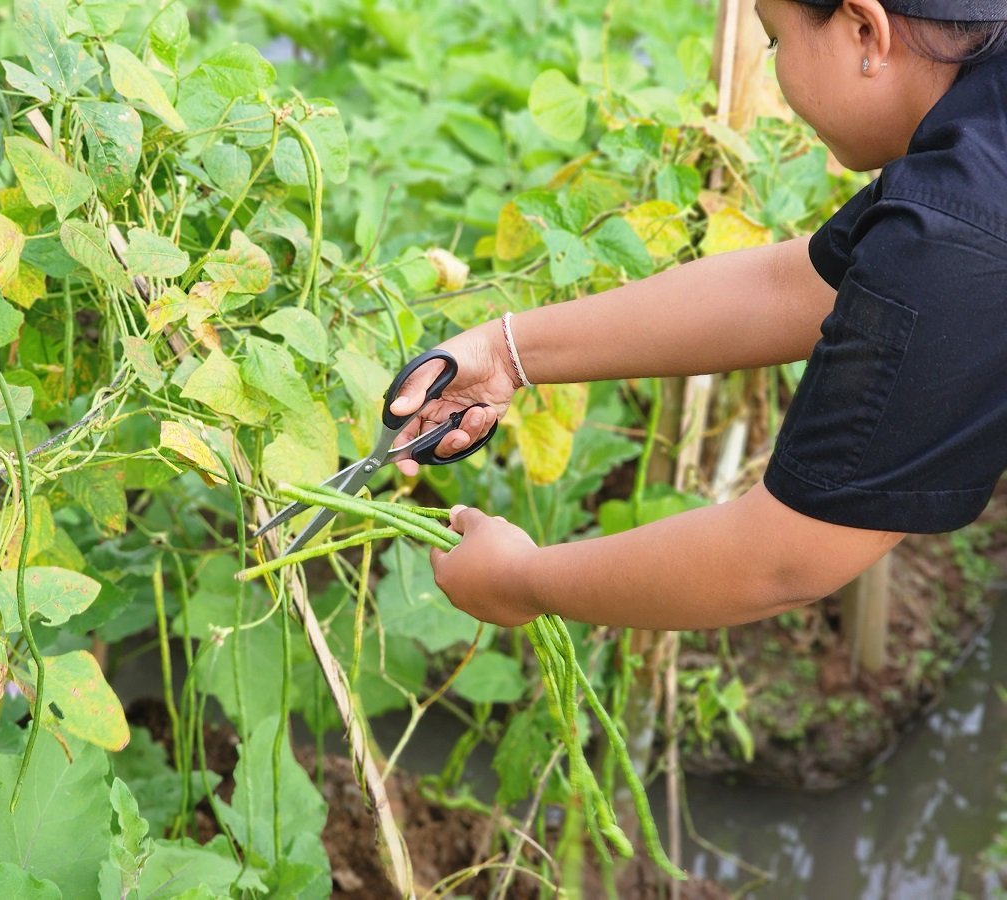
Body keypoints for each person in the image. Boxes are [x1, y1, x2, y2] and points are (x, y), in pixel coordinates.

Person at [388, 0, 1007, 631]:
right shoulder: (974, 145)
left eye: (774, 42)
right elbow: (791, 287)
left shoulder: (952, 230)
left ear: (864, 30)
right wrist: (506, 353)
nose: (776, 72)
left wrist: (519, 582)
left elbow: (782, 559)